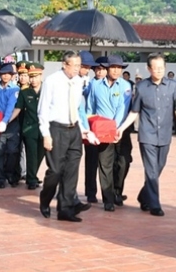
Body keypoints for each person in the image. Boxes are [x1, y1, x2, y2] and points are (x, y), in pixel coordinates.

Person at [117, 52, 176, 217]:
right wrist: (122, 127)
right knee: (151, 170)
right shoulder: (141, 87)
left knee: (159, 168)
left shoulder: (172, 86)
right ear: (149, 69)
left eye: (161, 68)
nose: (159, 71)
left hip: (165, 135)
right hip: (147, 135)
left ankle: (144, 195)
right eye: (155, 68)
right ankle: (155, 205)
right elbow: (134, 112)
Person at [37, 51, 98, 222]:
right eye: (75, 65)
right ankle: (45, 198)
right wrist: (46, 134)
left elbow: (77, 108)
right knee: (56, 170)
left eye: (80, 65)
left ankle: (66, 208)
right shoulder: (52, 81)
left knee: (72, 170)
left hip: (74, 129)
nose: (78, 69)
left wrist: (84, 129)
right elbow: (43, 109)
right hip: (56, 129)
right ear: (65, 64)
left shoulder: (79, 82)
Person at [83, 55, 132, 211]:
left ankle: (117, 191)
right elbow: (90, 108)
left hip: (120, 130)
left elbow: (122, 110)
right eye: (113, 67)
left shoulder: (126, 86)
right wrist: (90, 127)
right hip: (101, 132)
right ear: (106, 68)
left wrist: (115, 128)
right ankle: (108, 199)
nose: (116, 70)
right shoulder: (96, 85)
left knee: (123, 163)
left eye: (119, 68)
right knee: (105, 164)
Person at [0, 63, 22, 188]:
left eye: (8, 74)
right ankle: (0, 178)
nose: (6, 76)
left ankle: (10, 174)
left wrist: (5, 121)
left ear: (12, 75)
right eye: (3, 74)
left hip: (12, 124)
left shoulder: (15, 89)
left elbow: (11, 106)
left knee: (13, 151)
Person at [83, 56, 109, 203]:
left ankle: (109, 192)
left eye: (102, 69)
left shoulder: (112, 84)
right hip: (92, 124)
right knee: (91, 161)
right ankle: (90, 192)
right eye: (97, 69)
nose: (100, 72)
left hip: (106, 127)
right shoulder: (90, 84)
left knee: (105, 162)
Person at [17, 62, 45, 190]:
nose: (33, 79)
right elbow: (18, 109)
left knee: (40, 155)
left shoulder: (47, 90)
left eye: (36, 76)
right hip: (30, 129)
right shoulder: (25, 92)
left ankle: (31, 175)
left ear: (41, 76)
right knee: (31, 154)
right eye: (31, 77)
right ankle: (32, 179)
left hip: (44, 129)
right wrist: (6, 121)